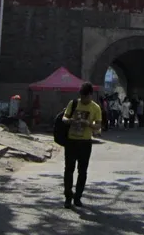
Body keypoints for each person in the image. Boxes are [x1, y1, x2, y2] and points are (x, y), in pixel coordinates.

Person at [61, 81, 102, 209]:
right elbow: (64, 118)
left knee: (82, 171)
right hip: (71, 141)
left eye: (86, 97)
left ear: (91, 95)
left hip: (85, 143)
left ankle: (78, 197)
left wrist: (89, 124)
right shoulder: (73, 103)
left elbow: (98, 126)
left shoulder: (95, 108)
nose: (83, 99)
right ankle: (68, 197)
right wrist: (70, 121)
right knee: (69, 170)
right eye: (82, 97)